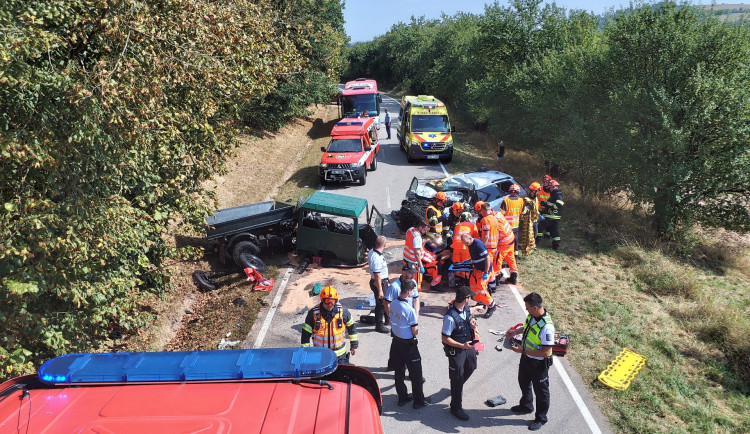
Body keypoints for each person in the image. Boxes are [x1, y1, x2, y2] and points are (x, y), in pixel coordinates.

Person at [505, 292, 555, 431]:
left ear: (534, 307)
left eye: (527, 307)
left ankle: (541, 418)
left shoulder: (547, 327)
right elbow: (527, 328)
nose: (526, 309)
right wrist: (514, 332)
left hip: (539, 364)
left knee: (541, 392)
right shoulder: (532, 316)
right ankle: (526, 406)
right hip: (526, 358)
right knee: (523, 382)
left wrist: (523, 351)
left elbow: (545, 353)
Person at [442, 285, 485, 421]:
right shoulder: (449, 318)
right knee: (457, 378)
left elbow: (467, 312)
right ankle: (456, 407)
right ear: (465, 299)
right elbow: (445, 338)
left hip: (468, 346)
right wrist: (462, 345)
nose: (470, 299)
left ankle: (457, 385)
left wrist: (476, 308)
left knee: (472, 366)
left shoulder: (464, 308)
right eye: (469, 297)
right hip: (458, 351)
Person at [388, 279, 430, 409]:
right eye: (413, 290)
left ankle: (402, 397)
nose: (413, 293)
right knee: (416, 373)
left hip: (396, 341)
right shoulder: (409, 310)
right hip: (408, 344)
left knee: (399, 371)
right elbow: (414, 330)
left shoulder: (393, 303)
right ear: (408, 292)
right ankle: (419, 401)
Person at [301, 286, 358, 365]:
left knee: (341, 376)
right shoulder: (313, 313)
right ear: (322, 300)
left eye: (333, 301)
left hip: (340, 356)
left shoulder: (343, 312)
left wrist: (354, 345)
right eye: (327, 301)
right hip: (320, 355)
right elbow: (305, 333)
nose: (330, 304)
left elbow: (352, 329)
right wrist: (305, 350)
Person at [459, 233, 496, 318]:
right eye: (464, 244)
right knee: (473, 287)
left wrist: (486, 272)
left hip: (484, 270)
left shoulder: (478, 245)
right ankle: (481, 302)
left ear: (470, 238)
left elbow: (487, 258)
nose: (466, 245)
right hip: (477, 269)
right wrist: (469, 260)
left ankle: (491, 305)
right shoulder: (470, 244)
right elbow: (475, 255)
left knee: (481, 289)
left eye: (466, 243)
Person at [367, 235, 390, 333]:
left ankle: (386, 318)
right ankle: (379, 324)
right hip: (379, 283)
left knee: (384, 301)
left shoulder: (373, 251)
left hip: (381, 281)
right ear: (384, 245)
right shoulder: (376, 258)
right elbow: (377, 275)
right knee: (381, 303)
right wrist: (380, 290)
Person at [403, 220, 429, 291]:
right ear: (420, 228)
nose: (425, 232)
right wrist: (421, 265)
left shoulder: (410, 230)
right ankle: (414, 293)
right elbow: (417, 253)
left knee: (406, 277)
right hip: (413, 262)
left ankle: (405, 290)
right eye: (424, 230)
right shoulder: (417, 238)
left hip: (406, 258)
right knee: (415, 281)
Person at [500, 184, 524, 256]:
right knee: (515, 241)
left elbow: (501, 215)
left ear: (510, 191)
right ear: (518, 192)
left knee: (506, 242)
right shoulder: (521, 200)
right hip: (516, 226)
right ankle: (515, 257)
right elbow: (523, 212)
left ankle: (506, 257)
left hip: (507, 227)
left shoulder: (505, 201)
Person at [539, 179, 563, 251]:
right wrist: (544, 204)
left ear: (554, 187)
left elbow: (560, 203)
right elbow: (551, 203)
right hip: (554, 217)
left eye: (550, 188)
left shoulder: (557, 193)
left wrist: (552, 208)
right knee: (553, 230)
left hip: (551, 216)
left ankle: (536, 241)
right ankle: (556, 245)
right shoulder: (554, 194)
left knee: (540, 226)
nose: (549, 189)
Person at [519, 182, 541, 255]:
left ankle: (531, 245)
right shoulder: (527, 200)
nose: (538, 192)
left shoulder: (535, 198)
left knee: (535, 233)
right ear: (533, 191)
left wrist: (538, 214)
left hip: (534, 219)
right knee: (529, 233)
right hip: (528, 220)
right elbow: (524, 211)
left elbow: (536, 208)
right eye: (537, 191)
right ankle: (528, 247)